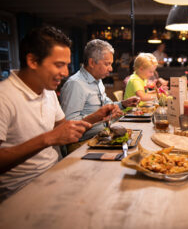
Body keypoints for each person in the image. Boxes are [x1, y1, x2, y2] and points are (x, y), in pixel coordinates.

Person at [0, 26, 116, 201]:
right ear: (32, 61)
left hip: (56, 172)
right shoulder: (4, 97)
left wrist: (97, 116)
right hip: (20, 191)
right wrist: (48, 138)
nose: (66, 73)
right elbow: (53, 136)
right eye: (59, 65)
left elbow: (63, 128)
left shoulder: (48, 91)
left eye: (67, 65)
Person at [60, 39, 139, 141]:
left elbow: (106, 106)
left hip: (103, 135)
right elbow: (68, 126)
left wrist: (123, 104)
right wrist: (97, 116)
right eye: (107, 64)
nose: (111, 69)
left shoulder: (98, 80)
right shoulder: (76, 84)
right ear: (92, 62)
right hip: (84, 142)